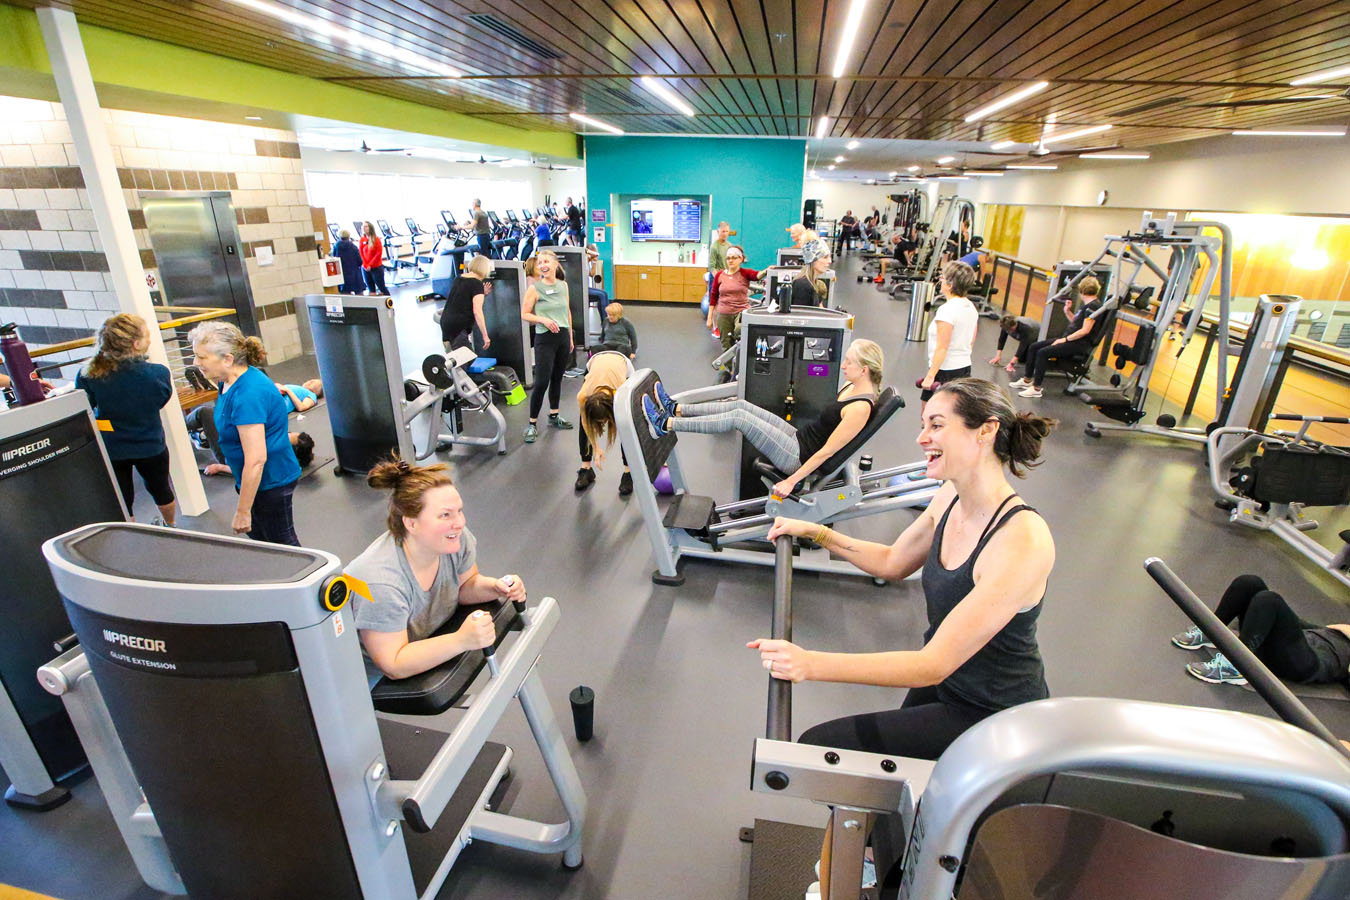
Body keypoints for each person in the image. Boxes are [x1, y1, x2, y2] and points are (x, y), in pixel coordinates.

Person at [749, 378, 1055, 898]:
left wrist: (809, 663)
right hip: (953, 687)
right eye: (922, 425)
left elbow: (931, 662)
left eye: (936, 425)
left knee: (830, 752)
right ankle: (872, 855)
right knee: (882, 776)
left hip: (992, 710)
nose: (922, 437)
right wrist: (816, 533)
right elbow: (892, 562)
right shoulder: (949, 498)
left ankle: (853, 871)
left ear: (985, 432)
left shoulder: (1021, 540)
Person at [350, 459, 527, 681]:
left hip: (418, 640)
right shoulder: (380, 583)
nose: (459, 523)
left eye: (459, 511)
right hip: (366, 678)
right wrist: (460, 640)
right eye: (445, 515)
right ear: (411, 524)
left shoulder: (454, 539)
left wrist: (496, 587)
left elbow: (464, 585)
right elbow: (393, 664)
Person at [644, 340, 885, 499]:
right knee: (741, 405)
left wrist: (792, 481)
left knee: (739, 418)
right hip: (798, 437)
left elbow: (826, 453)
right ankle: (674, 409)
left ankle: (664, 425)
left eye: (849, 362)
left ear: (864, 370)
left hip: (797, 457)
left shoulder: (860, 408)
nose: (842, 365)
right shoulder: (850, 386)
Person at [188, 321, 302, 545]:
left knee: (284, 545)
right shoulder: (226, 382)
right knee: (261, 538)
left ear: (228, 359)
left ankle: (316, 579)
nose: (195, 363)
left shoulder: (248, 394)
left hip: (270, 481)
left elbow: (256, 460)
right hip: (254, 480)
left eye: (201, 357)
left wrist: (243, 510)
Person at [75, 313, 176, 525]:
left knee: (123, 497)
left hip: (112, 446)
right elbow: (160, 400)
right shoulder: (157, 373)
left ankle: (130, 534)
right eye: (147, 336)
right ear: (136, 343)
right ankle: (171, 526)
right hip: (151, 444)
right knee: (161, 488)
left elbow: (85, 405)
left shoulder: (88, 374)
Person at [1172, 575, 1350, 687]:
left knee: (1269, 600)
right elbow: (1316, 629)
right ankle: (1211, 630)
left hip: (1307, 662)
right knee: (1250, 583)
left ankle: (1237, 665)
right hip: (1303, 640)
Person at [1011, 277, 1104, 399]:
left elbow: (1085, 331)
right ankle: (1027, 380)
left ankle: (1036, 388)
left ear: (1082, 291)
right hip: (1071, 339)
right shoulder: (1087, 306)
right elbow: (1076, 324)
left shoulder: (1093, 307)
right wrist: (1067, 311)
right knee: (1034, 347)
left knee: (1043, 353)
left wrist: (1064, 340)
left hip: (1079, 344)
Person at [521, 248, 574, 443]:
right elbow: (525, 314)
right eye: (540, 262)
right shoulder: (534, 289)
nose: (542, 265)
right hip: (544, 339)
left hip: (561, 336)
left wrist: (570, 337)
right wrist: (543, 319)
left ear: (555, 264)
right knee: (542, 381)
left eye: (546, 262)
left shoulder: (563, 286)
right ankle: (532, 423)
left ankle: (554, 415)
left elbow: (567, 310)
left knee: (557, 378)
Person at [918, 261, 980, 408]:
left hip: (944, 370)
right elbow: (972, 340)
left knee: (929, 416)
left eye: (943, 277)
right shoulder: (970, 306)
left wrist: (930, 376)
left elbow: (942, 347)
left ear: (950, 284)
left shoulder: (946, 310)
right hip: (964, 368)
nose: (940, 280)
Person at [575, 350, 634, 496]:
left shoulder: (623, 392)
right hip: (596, 362)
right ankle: (586, 468)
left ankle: (629, 472)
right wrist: (596, 448)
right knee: (583, 420)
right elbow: (585, 422)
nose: (603, 425)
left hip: (622, 362)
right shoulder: (583, 395)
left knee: (625, 423)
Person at [707, 245, 762, 352]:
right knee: (726, 343)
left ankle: (740, 365)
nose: (730, 260)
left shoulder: (745, 273)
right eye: (728, 258)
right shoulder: (719, 275)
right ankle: (730, 368)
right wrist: (709, 318)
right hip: (723, 313)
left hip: (740, 311)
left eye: (734, 258)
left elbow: (758, 275)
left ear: (741, 259)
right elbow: (713, 297)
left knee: (739, 330)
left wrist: (767, 271)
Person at [440, 254, 493, 351]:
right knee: (465, 359)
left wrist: (482, 293)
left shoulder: (459, 278)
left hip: (446, 322)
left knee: (457, 355)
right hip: (458, 326)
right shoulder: (476, 284)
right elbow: (477, 311)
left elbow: (463, 298)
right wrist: (485, 336)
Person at [788, 240, 831, 308]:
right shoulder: (803, 285)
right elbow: (801, 315)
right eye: (825, 257)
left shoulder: (814, 283)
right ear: (813, 260)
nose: (829, 261)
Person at [333, 229, 364, 295]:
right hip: (354, 274)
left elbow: (334, 260)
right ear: (349, 236)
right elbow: (360, 261)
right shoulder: (353, 247)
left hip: (343, 275)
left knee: (345, 296)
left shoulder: (336, 247)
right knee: (360, 295)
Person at [359, 222, 387, 295]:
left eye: (366, 226)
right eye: (363, 227)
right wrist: (365, 265)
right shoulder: (362, 239)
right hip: (365, 268)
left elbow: (378, 253)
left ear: (370, 228)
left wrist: (370, 265)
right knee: (371, 289)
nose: (364, 228)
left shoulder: (376, 239)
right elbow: (361, 253)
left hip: (376, 267)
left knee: (382, 287)